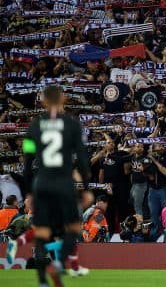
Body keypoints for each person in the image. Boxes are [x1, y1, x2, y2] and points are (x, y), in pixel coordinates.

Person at [22, 85, 93, 287]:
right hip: (63, 183)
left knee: (42, 232)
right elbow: (81, 159)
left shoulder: (33, 126)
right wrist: (86, 188)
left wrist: (29, 192)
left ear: (44, 101)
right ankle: (59, 265)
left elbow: (27, 163)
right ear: (63, 99)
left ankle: (43, 280)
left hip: (41, 182)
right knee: (73, 227)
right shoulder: (72, 125)